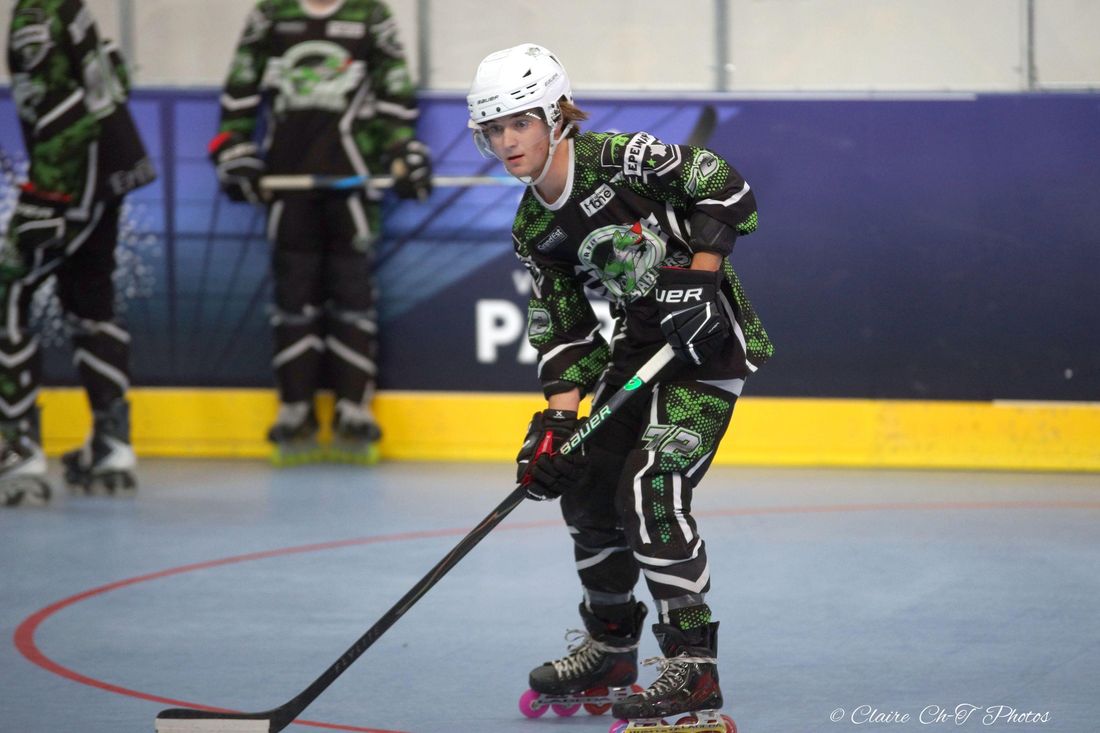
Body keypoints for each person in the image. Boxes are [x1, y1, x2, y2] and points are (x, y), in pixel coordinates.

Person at [467, 44, 772, 725]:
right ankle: (611, 648)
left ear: (556, 116)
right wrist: (557, 425)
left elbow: (727, 187)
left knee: (649, 484)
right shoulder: (534, 224)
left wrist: (699, 279)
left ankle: (694, 668)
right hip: (640, 352)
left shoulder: (621, 158)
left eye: (520, 122)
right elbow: (566, 328)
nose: (508, 140)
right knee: (582, 480)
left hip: (708, 348)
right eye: (495, 128)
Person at [210, 0, 431, 465]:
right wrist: (234, 149)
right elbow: (240, 90)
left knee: (353, 296)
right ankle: (295, 410)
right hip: (285, 183)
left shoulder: (369, 14)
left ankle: (354, 410)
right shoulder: (271, 13)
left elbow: (395, 95)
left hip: (354, 182)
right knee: (293, 297)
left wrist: (403, 153)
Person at [1, 0, 157, 507]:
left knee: (7, 287)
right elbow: (113, 72)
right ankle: (112, 447)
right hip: (110, 173)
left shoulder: (36, 15)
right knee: (89, 298)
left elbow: (65, 111)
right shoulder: (68, 7)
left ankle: (17, 452)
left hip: (75, 183)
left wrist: (46, 198)